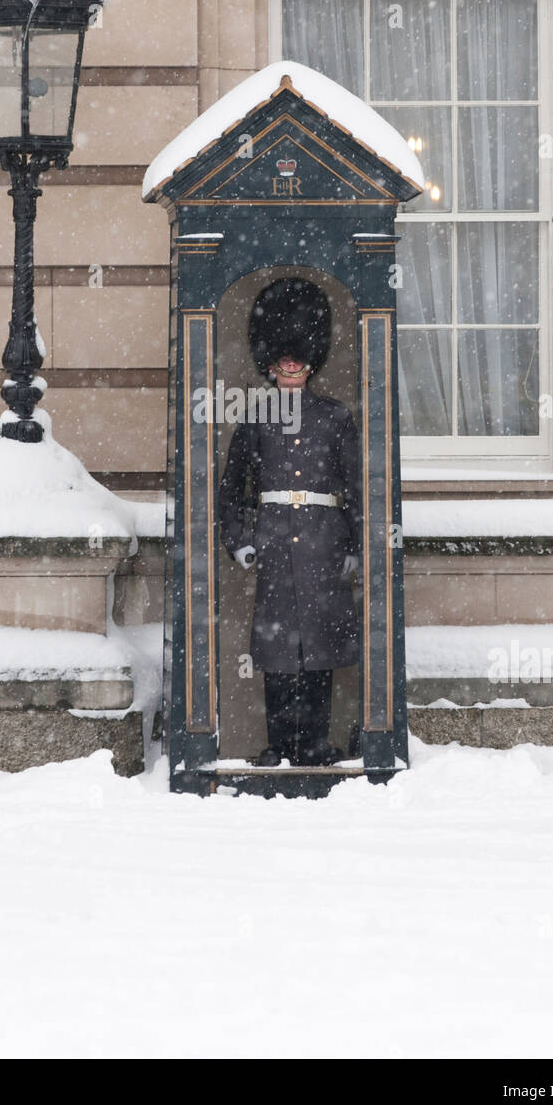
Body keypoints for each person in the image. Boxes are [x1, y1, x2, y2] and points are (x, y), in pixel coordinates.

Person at [218, 278, 360, 767]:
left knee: (318, 650)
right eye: (283, 359)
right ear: (272, 364)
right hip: (275, 542)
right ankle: (279, 742)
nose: (291, 365)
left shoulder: (335, 416)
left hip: (323, 542)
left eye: (298, 357)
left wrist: (357, 546)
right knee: (279, 652)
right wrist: (239, 541)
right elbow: (232, 489)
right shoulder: (256, 418)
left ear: (310, 360)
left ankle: (316, 742)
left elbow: (357, 486)